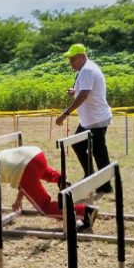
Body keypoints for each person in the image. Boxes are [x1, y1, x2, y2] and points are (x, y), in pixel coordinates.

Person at [0, 146, 98, 231]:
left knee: (45, 207)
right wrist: (18, 200)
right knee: (43, 172)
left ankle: (85, 212)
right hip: (36, 155)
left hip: (25, 169)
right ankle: (61, 179)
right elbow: (22, 180)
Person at [55, 44, 113, 194]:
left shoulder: (87, 70)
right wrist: (74, 91)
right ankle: (91, 175)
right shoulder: (85, 69)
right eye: (69, 60)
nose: (70, 63)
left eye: (73, 59)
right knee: (79, 145)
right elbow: (83, 91)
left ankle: (105, 185)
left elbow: (84, 94)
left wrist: (66, 113)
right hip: (90, 120)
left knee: (99, 151)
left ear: (82, 56)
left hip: (96, 120)